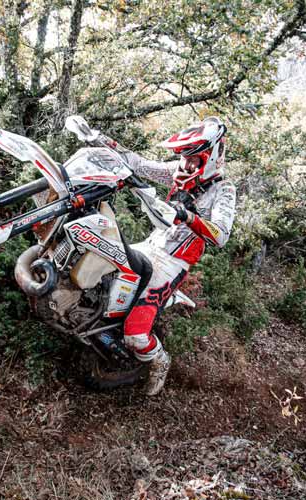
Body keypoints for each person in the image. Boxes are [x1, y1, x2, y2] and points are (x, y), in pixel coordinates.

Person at [103, 117, 237, 395]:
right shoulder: (178, 171)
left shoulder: (223, 189)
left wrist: (188, 216)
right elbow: (140, 164)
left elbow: (221, 235)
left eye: (193, 159)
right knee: (100, 267)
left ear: (211, 157)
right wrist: (102, 140)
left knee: (135, 335)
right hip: (149, 245)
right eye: (183, 158)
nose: (185, 165)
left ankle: (159, 361)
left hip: (172, 263)